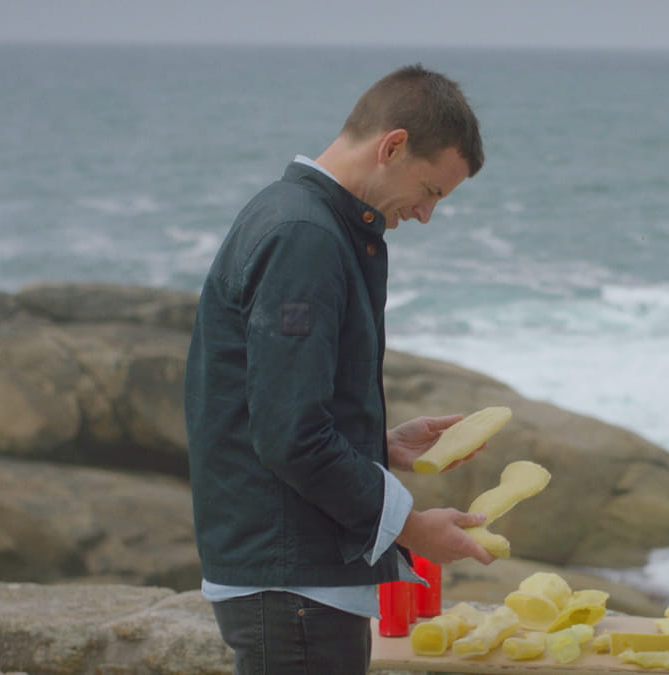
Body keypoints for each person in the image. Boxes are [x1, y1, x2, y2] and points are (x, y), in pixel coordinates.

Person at [184, 64, 496, 675]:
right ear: (392, 146)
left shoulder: (300, 218)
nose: (426, 214)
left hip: (293, 578)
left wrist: (376, 443)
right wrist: (412, 528)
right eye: (431, 190)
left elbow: (276, 409)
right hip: (293, 584)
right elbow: (290, 434)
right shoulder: (305, 236)